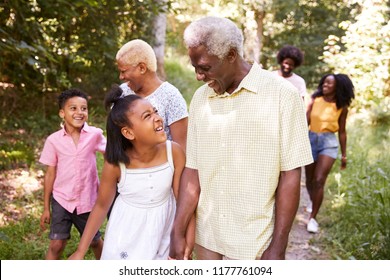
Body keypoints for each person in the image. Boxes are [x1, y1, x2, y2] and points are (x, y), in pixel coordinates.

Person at [169, 16, 313, 260]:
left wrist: (278, 246)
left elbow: (291, 174)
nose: (198, 76)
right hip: (208, 235)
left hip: (255, 241)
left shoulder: (282, 95)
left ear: (232, 56)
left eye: (204, 67)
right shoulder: (200, 99)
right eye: (195, 67)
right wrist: (177, 231)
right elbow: (192, 171)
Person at [69, 85, 189, 260]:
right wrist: (81, 250)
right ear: (128, 132)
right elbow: (102, 206)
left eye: (155, 112)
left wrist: (184, 240)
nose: (157, 118)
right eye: (147, 116)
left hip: (162, 234)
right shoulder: (116, 164)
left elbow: (183, 202)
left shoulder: (174, 152)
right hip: (125, 234)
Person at [39, 89, 106, 260]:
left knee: (94, 241)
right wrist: (46, 207)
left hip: (87, 200)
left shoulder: (95, 135)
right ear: (62, 113)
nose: (79, 112)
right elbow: (50, 174)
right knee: (56, 244)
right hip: (62, 199)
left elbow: (111, 157)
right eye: (73, 108)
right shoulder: (53, 140)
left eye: (84, 108)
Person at [116, 39, 188, 152]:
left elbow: (182, 148)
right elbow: (115, 139)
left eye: (124, 71)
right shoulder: (122, 93)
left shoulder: (171, 96)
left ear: (142, 68)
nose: (121, 77)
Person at [305, 73, 355, 233]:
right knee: (310, 180)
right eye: (324, 82)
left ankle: (312, 218)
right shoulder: (315, 100)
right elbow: (305, 121)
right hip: (311, 139)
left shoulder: (342, 106)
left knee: (319, 180)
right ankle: (313, 201)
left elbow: (342, 131)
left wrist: (344, 155)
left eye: (329, 83)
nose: (325, 85)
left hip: (329, 143)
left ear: (337, 87)